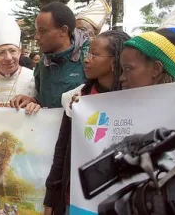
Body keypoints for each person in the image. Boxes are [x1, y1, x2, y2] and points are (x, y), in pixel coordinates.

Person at [43, 30, 131, 215]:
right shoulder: (78, 99)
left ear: (115, 60)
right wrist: (51, 196)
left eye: (95, 54)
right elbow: (61, 151)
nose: (87, 59)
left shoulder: (135, 98)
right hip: (76, 201)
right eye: (87, 53)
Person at [10, 2, 89, 109]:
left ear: (63, 31)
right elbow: (41, 101)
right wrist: (32, 101)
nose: (37, 37)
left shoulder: (87, 59)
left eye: (42, 31)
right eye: (36, 31)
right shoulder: (42, 65)